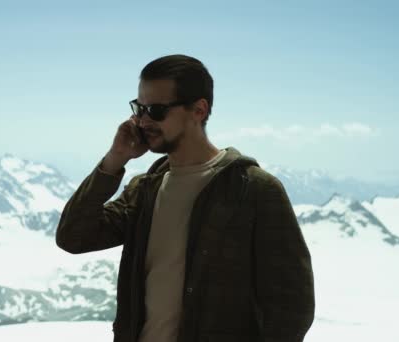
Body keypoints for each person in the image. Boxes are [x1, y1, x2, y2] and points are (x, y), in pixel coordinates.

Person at [56, 54, 315, 342]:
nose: (142, 121)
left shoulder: (253, 190)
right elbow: (73, 236)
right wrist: (115, 159)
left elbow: (292, 306)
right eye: (139, 108)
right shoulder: (146, 190)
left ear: (199, 110)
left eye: (156, 110)